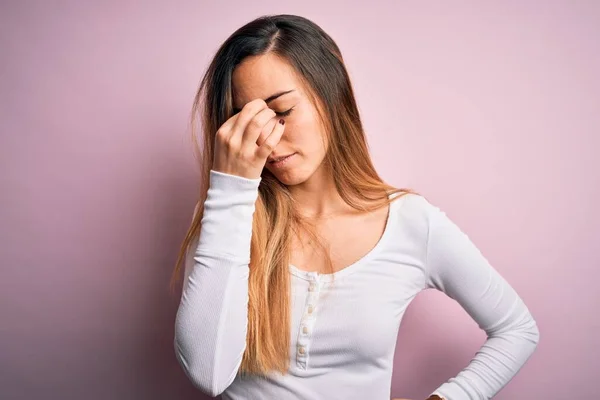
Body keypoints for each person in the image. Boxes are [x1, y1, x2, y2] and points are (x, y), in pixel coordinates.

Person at [171, 14, 540, 400]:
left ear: (330, 93)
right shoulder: (226, 215)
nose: (269, 141)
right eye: (246, 122)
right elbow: (207, 373)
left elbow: (517, 329)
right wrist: (231, 188)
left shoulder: (410, 223)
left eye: (282, 112)